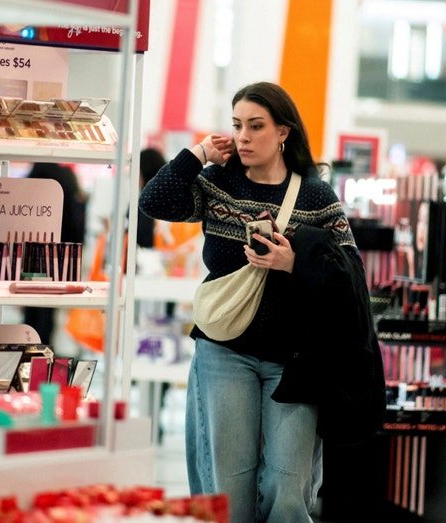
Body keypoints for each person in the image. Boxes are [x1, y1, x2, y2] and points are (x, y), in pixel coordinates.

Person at [139, 82, 370, 522]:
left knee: (288, 487)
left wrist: (292, 263)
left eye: (256, 126)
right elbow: (154, 201)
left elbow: (352, 278)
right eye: (237, 125)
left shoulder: (317, 198)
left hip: (295, 361)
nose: (243, 136)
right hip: (224, 352)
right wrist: (199, 154)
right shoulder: (218, 184)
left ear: (283, 132)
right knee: (230, 488)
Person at [23, 163, 88, 345]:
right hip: (60, 256)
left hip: (34, 253)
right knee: (47, 309)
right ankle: (43, 354)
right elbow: (76, 229)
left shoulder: (39, 175)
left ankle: (28, 351)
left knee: (32, 307)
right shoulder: (68, 181)